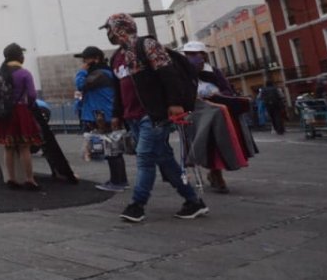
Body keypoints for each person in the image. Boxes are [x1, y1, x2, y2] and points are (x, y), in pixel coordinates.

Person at [104, 13, 208, 222]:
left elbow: (168, 74)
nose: (108, 34)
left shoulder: (148, 45)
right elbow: (117, 87)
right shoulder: (116, 57)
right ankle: (193, 201)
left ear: (120, 28)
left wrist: (175, 103)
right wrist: (116, 113)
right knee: (164, 159)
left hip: (152, 114)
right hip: (131, 116)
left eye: (109, 28)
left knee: (144, 157)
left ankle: (137, 205)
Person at [181, 41, 253, 194]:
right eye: (188, 54)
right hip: (197, 113)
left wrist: (218, 96)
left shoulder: (214, 72)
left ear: (203, 55)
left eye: (194, 54)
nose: (190, 57)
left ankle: (216, 174)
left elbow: (227, 90)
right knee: (204, 141)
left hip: (217, 112)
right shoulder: (183, 74)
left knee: (217, 141)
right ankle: (214, 173)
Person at [0, 44, 44, 190]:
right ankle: (29, 179)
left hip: (3, 114)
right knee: (24, 147)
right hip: (20, 112)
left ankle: (11, 179)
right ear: (19, 56)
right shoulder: (24, 73)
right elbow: (32, 95)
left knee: (8, 147)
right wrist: (28, 105)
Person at [74, 47, 125, 191]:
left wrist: (82, 71)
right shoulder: (104, 72)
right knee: (112, 150)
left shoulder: (100, 74)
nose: (83, 62)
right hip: (104, 114)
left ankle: (117, 182)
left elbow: (81, 85)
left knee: (111, 150)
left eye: (85, 59)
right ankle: (120, 180)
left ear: (95, 58)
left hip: (104, 115)